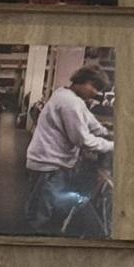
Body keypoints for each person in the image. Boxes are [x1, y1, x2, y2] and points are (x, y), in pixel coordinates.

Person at [24, 65, 114, 235]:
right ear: (83, 80)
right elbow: (82, 140)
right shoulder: (70, 103)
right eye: (94, 86)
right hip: (49, 165)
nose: (96, 93)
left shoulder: (66, 95)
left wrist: (104, 132)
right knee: (40, 216)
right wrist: (112, 145)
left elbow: (89, 120)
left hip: (51, 162)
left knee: (45, 208)